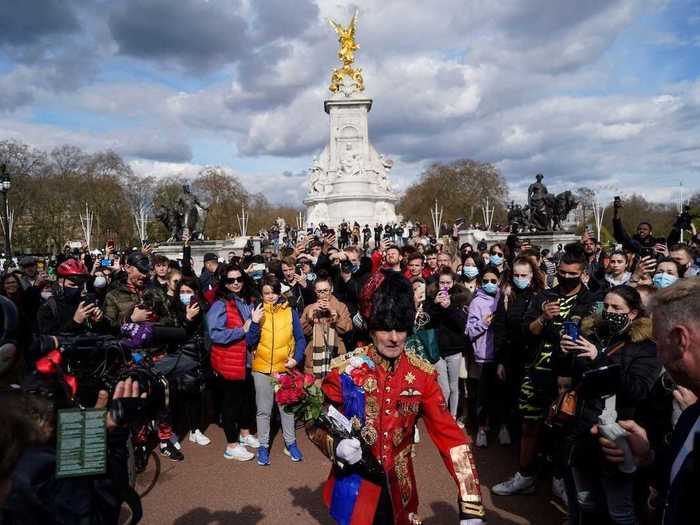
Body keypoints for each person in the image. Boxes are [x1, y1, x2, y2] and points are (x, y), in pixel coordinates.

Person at [306, 271, 486, 524]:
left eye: (401, 328)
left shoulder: (421, 375)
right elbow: (315, 419)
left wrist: (471, 502)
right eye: (385, 327)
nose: (394, 337)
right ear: (371, 326)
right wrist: (334, 445)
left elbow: (451, 438)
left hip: (399, 490)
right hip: (354, 485)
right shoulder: (344, 370)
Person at [593, 277, 700, 524]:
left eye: (658, 341)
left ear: (680, 339)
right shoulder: (691, 415)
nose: (657, 354)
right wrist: (648, 457)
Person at [494, 243, 597, 496]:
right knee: (530, 425)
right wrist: (543, 318)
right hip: (537, 370)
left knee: (564, 429)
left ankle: (560, 479)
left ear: (583, 274)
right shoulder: (544, 296)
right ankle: (525, 475)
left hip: (571, 376)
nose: (566, 277)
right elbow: (526, 331)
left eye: (573, 274)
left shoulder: (593, 300)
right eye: (562, 272)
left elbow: (595, 337)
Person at [561, 286, 660, 524]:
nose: (608, 312)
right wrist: (566, 353)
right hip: (582, 432)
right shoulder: (593, 334)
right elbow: (575, 378)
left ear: (633, 313)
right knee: (586, 502)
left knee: (620, 510)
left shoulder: (646, 347)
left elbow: (636, 391)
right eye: (605, 306)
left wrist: (599, 359)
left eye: (616, 308)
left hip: (614, 437)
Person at [247, 273, 306, 466]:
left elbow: (300, 338)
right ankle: (263, 446)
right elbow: (249, 342)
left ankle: (290, 443)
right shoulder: (257, 311)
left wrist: (296, 359)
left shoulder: (290, 312)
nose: (270, 296)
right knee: (263, 410)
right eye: (266, 293)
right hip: (262, 368)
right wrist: (255, 323)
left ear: (279, 292)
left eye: (273, 292)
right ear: (261, 295)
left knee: (286, 409)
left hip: (283, 368)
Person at [207, 264, 262, 461]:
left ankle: (245, 433)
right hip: (229, 361)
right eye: (231, 280)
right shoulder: (220, 304)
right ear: (225, 283)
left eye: (239, 279)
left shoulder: (248, 299)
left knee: (246, 399)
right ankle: (231, 445)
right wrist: (242, 330)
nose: (236, 283)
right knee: (231, 404)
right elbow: (215, 333)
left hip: (246, 360)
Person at [467, 268, 506, 448]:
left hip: (501, 355)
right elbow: (470, 331)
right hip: (483, 356)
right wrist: (483, 324)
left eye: (493, 280)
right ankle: (482, 429)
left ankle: (502, 428)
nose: (489, 283)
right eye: (485, 280)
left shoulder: (504, 298)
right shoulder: (476, 302)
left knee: (501, 395)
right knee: (483, 395)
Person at [428, 268, 470, 418]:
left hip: (454, 350)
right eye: (442, 283)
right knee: (443, 388)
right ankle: (442, 418)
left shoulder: (459, 299)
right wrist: (435, 305)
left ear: (453, 283)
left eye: (448, 282)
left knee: (454, 387)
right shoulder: (432, 298)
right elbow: (427, 322)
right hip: (438, 351)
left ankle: (451, 416)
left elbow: (461, 324)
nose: (445, 286)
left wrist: (449, 307)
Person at [301, 275, 352, 379]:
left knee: (335, 391)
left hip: (336, 356)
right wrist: (309, 317)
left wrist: (334, 313)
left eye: (325, 290)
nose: (323, 294)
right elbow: (303, 333)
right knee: (314, 391)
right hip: (314, 357)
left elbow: (347, 329)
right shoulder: (309, 308)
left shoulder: (341, 306)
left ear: (331, 289)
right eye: (319, 291)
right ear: (315, 291)